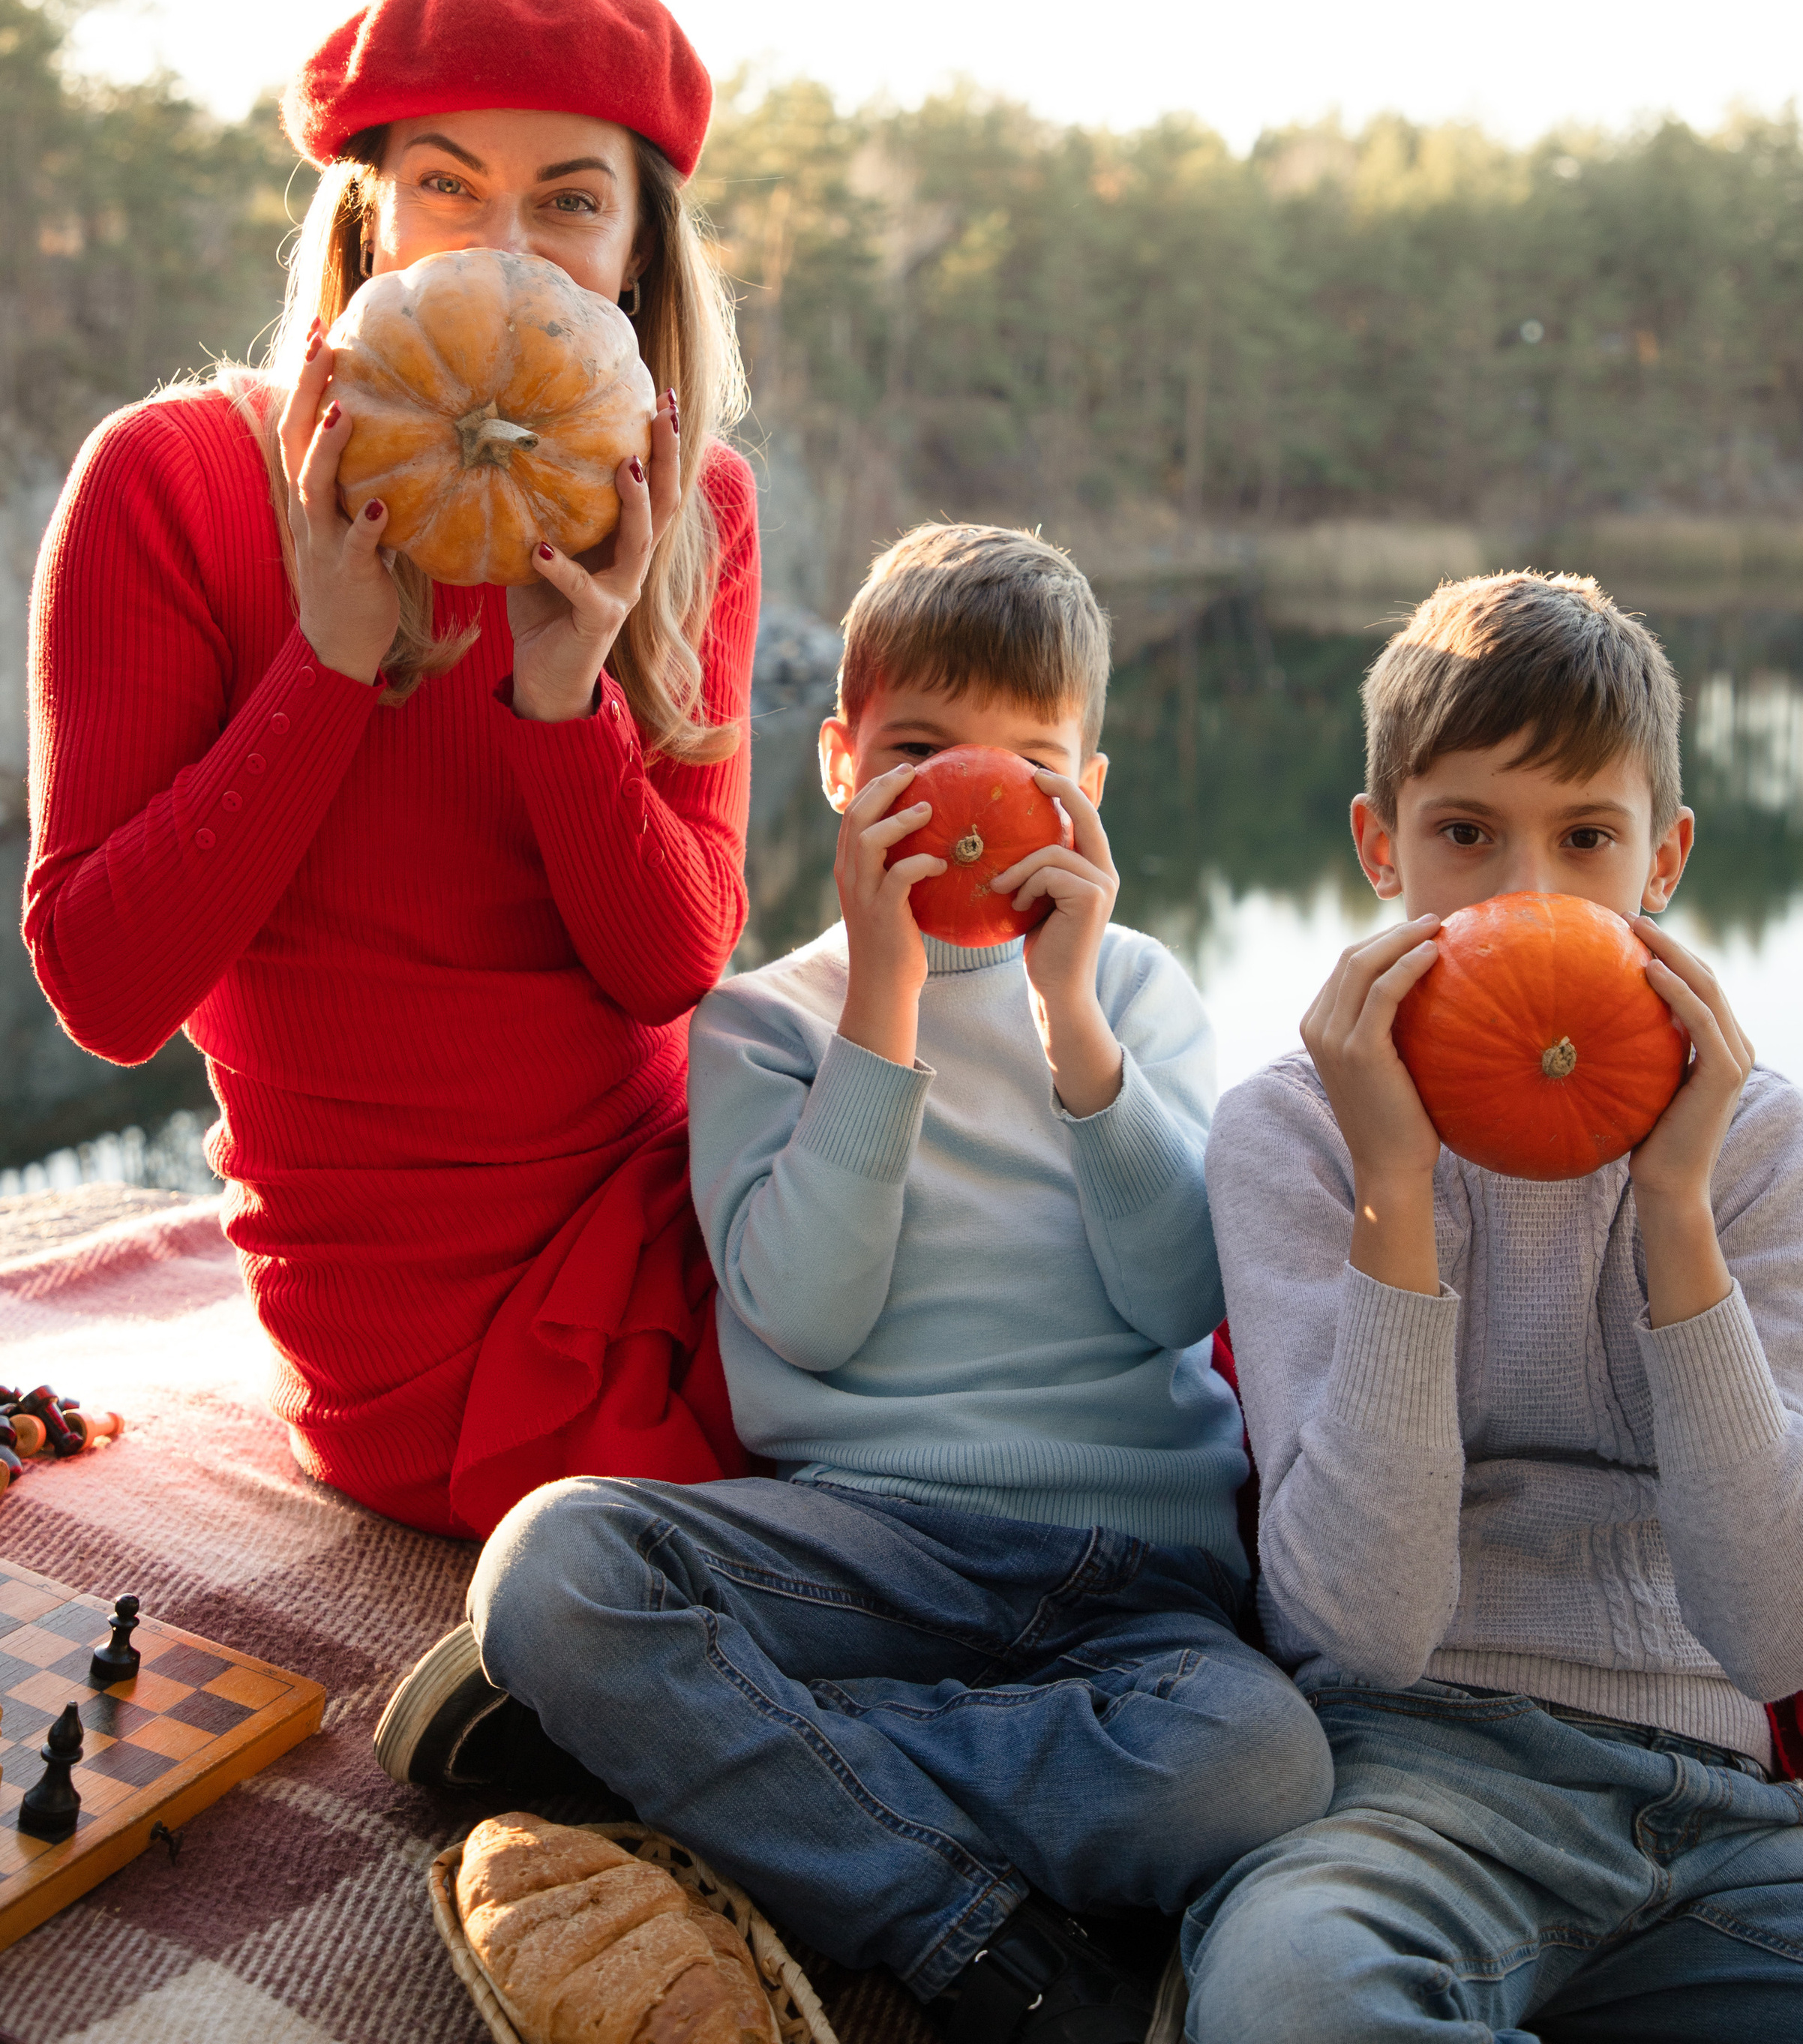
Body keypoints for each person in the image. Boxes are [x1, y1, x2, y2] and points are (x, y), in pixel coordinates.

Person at [420, 524, 1330, 2040]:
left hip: (1133, 1579)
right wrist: (887, 998)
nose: (965, 800)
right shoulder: (765, 1025)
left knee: (1262, 1769)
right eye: (917, 749)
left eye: (1023, 761)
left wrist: (1068, 1026)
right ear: (839, 763)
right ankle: (967, 1937)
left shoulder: (1139, 995)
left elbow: (1177, 1297)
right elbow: (806, 1318)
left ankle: (712, 1752)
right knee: (553, 1567)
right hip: (860, 1553)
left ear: (1086, 798)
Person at [25, 0, 758, 1546]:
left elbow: (668, 969)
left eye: (569, 199)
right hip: (408, 1320)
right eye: (446, 185)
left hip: (672, 1215)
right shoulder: (172, 480)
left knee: (1048, 1337)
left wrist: (567, 704)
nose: (503, 242)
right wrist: (332, 659)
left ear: (634, 256)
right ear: (367, 218)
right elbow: (106, 990)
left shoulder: (687, 507)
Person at [1187, 569, 1803, 2042]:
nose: (1524, 891)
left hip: (1720, 1813)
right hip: (1405, 1777)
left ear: (1662, 864)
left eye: (1583, 837)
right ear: (1377, 847)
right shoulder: (1295, 1134)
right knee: (1287, 1997)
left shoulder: (1760, 1147)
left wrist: (1671, 1208)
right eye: (1465, 834)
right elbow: (1364, 1623)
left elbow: (1782, 1638)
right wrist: (1396, 1188)